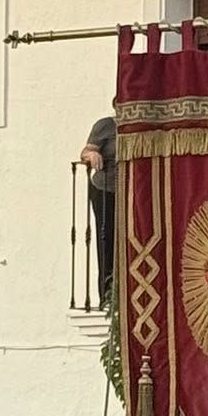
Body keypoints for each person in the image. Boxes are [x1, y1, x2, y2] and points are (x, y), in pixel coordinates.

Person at [79, 115, 116, 298]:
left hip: (133, 191)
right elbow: (86, 151)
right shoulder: (106, 125)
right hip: (105, 189)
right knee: (106, 237)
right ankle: (107, 293)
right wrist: (92, 155)